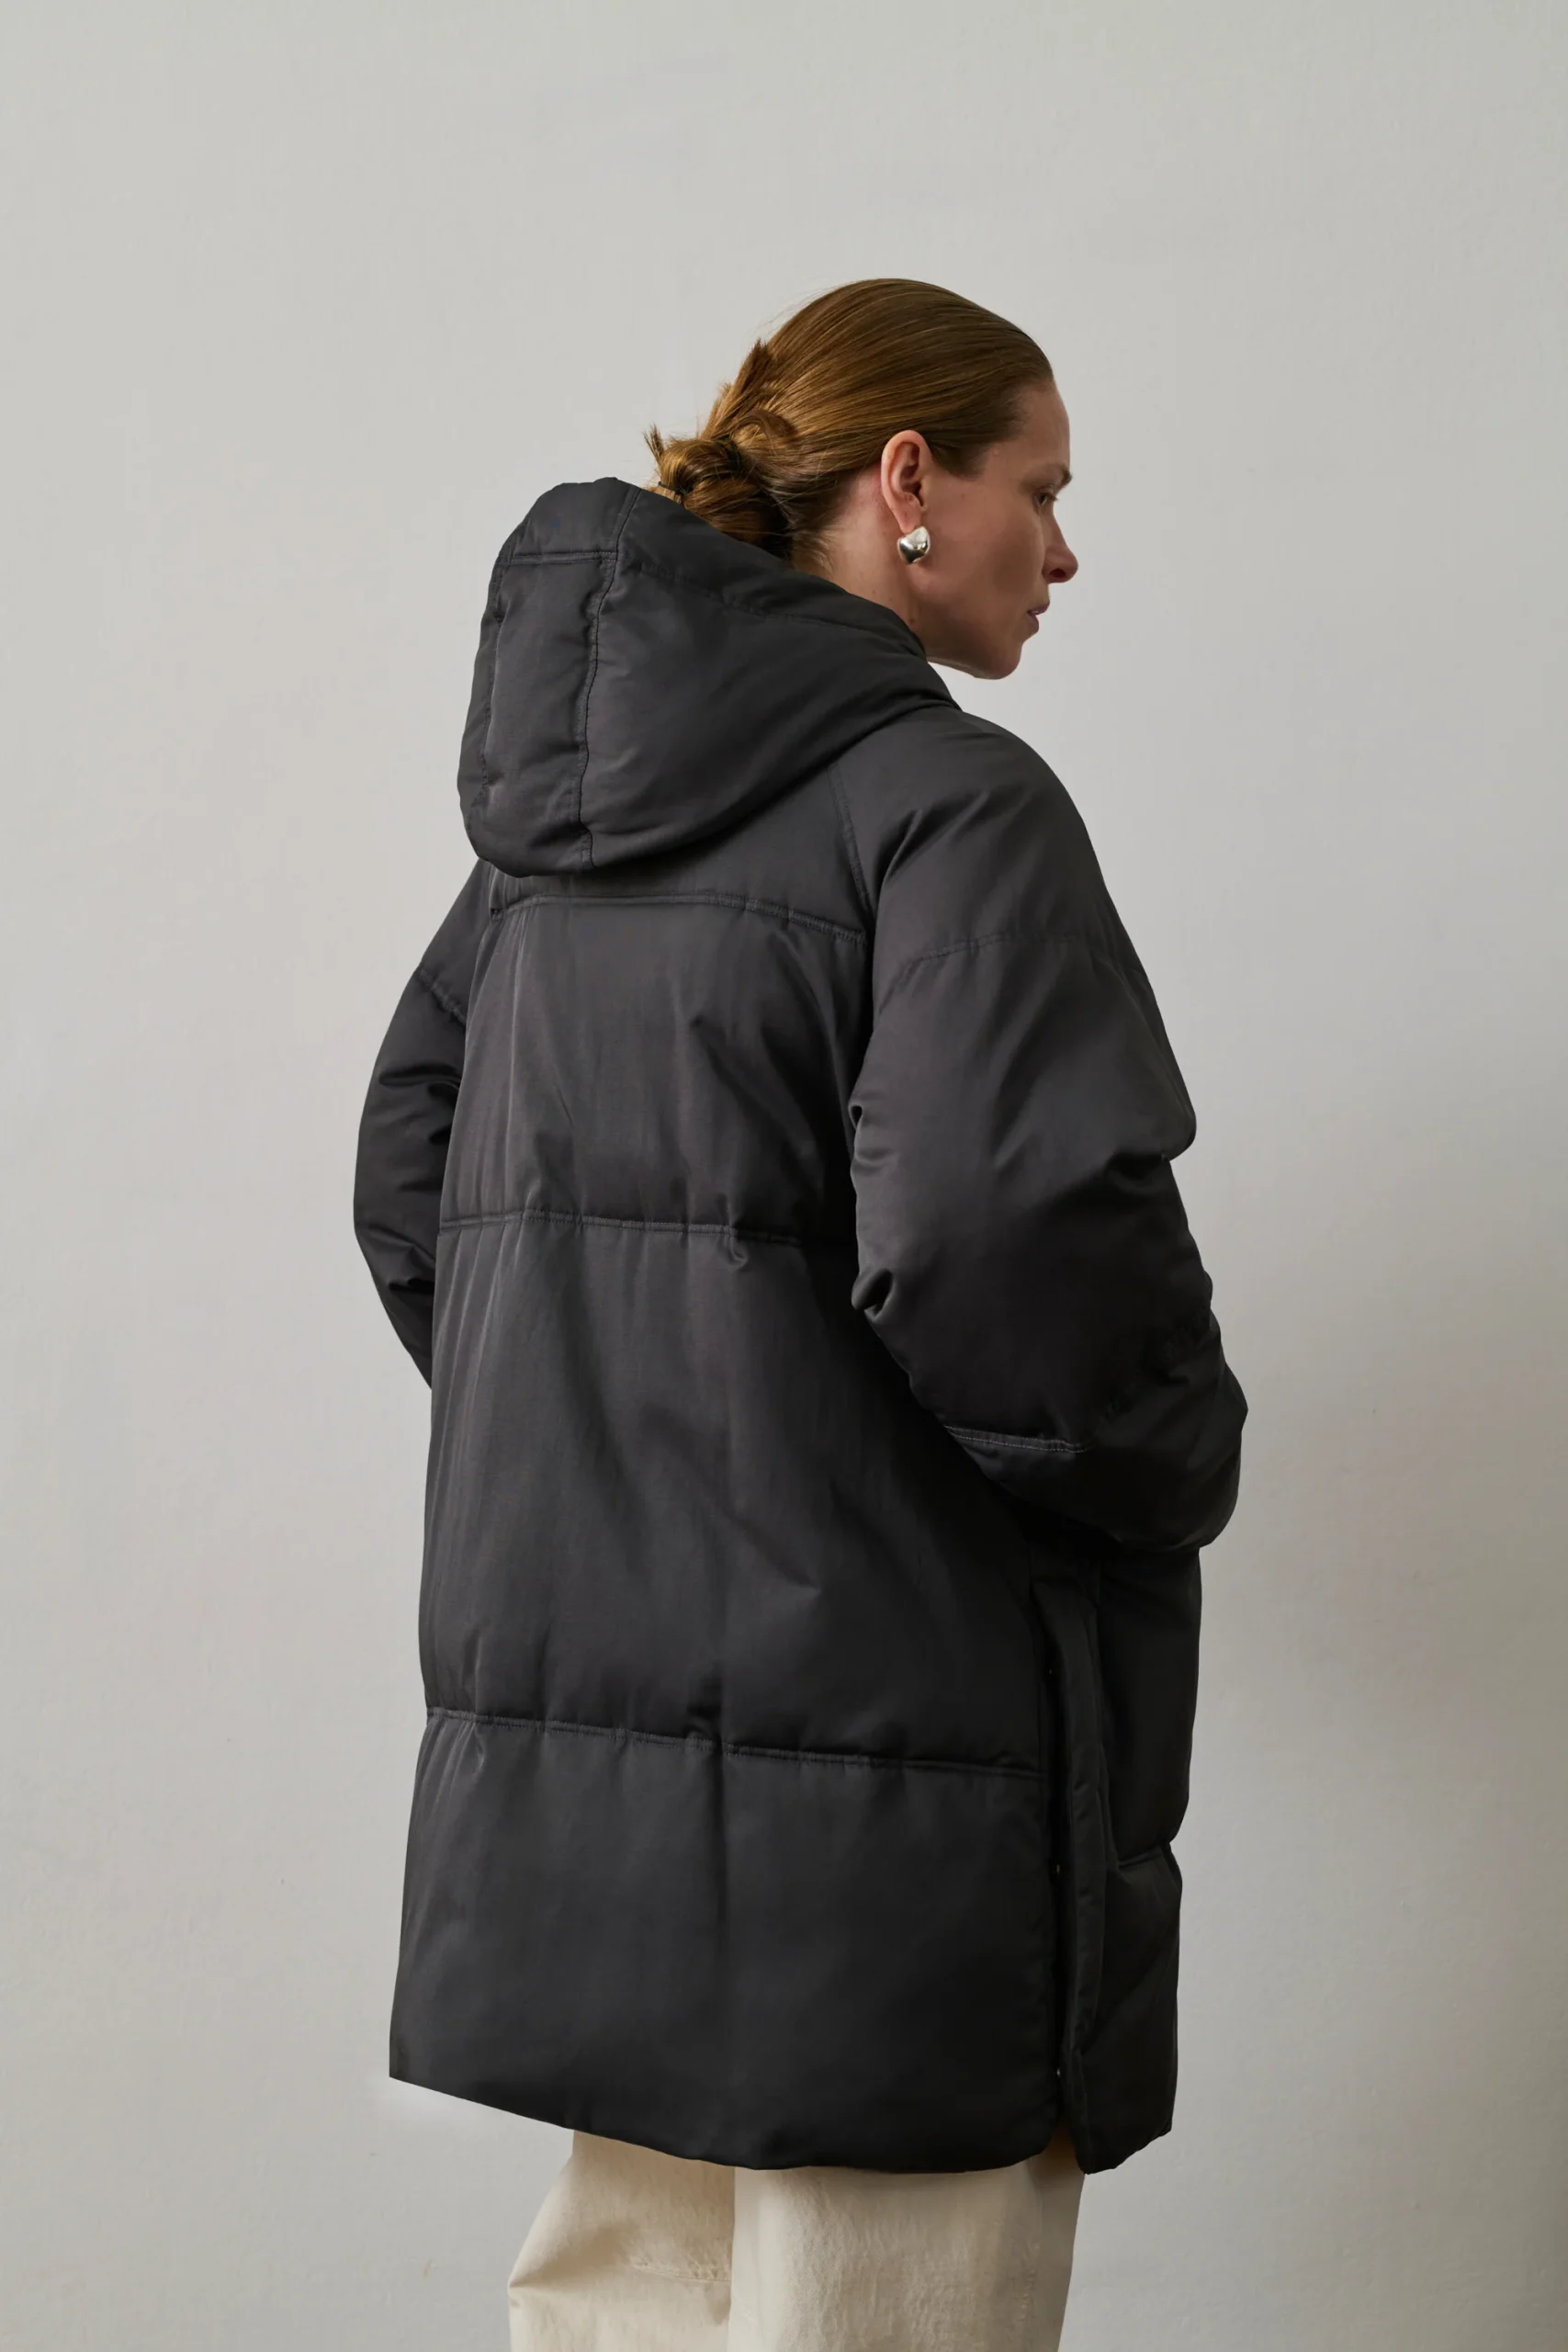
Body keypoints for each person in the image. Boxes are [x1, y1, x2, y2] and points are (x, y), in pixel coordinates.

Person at [353, 276, 1247, 2351]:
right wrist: (1178, 1453)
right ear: (907, 481)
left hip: (597, 1782)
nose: (1063, 550)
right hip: (897, 1784)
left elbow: (412, 1176)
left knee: (634, 2301)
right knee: (886, 2299)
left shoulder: (546, 850)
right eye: (1043, 489)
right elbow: (1009, 1237)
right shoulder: (950, 802)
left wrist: (619, 1423)